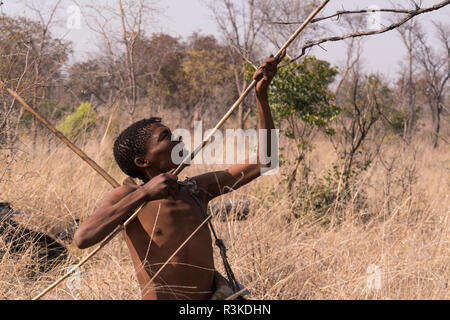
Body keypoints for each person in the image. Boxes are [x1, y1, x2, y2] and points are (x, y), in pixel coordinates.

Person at [74, 50, 286, 300]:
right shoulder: (129, 196)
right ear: (143, 161)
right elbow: (83, 237)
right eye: (166, 137)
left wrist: (261, 97)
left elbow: (266, 160)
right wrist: (144, 193)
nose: (177, 140)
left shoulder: (197, 189)